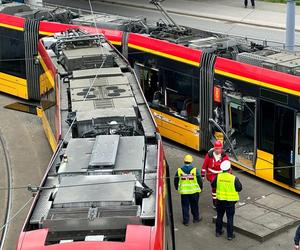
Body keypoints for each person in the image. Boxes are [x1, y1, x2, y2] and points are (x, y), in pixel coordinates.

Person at [212, 160, 242, 240]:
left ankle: (218, 232)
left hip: (220, 201)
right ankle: (230, 235)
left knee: (219, 216)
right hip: (230, 202)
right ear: (230, 169)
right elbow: (239, 188)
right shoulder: (234, 178)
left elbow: (213, 185)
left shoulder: (218, 176)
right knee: (230, 218)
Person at [174, 154, 203, 226]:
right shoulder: (195, 170)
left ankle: (186, 221)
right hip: (194, 192)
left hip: (184, 192)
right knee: (195, 205)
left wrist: (177, 188)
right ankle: (196, 218)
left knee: (185, 206)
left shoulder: (179, 170)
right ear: (191, 161)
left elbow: (176, 180)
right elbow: (199, 180)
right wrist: (200, 188)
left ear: (184, 161)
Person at [201, 140, 229, 208]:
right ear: (214, 148)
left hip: (221, 174)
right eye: (216, 149)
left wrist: (228, 174)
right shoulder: (209, 155)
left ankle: (220, 201)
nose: (218, 150)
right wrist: (202, 175)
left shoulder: (224, 155)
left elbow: (227, 165)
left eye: (219, 149)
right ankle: (215, 202)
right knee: (214, 189)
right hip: (212, 175)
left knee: (221, 188)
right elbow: (204, 165)